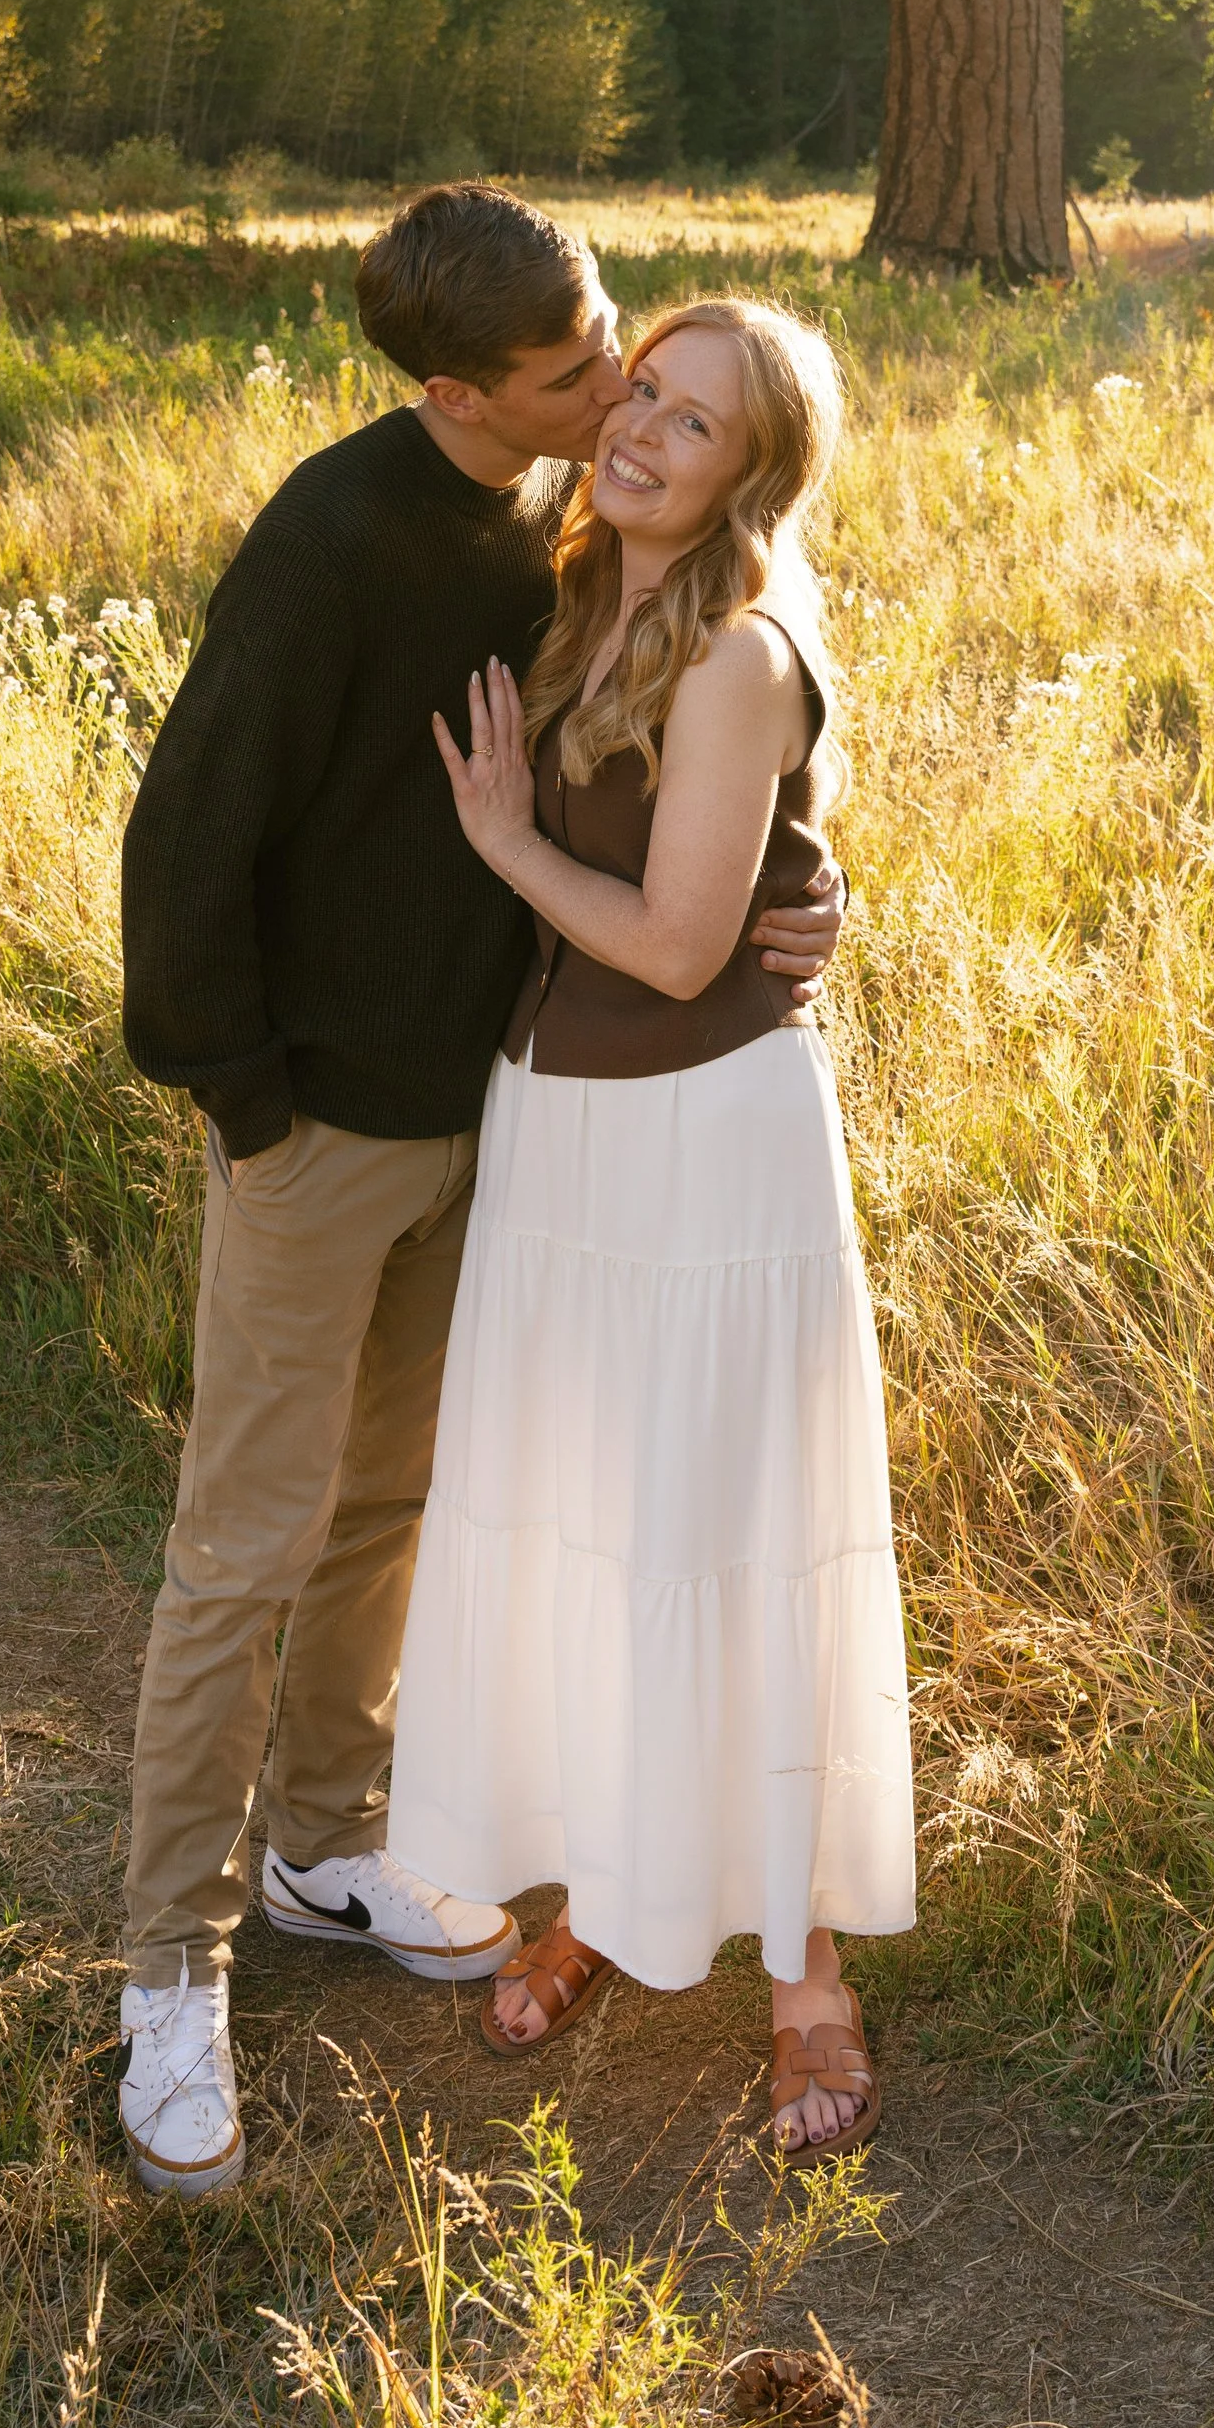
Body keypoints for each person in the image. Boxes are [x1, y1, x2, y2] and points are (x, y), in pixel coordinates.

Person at [112, 189, 844, 2197]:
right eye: (573, 370)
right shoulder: (331, 543)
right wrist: (247, 1098)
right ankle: (165, 1967)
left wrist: (803, 883)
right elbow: (182, 833)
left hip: (498, 1121)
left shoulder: (566, 531)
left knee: (380, 1509)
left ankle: (328, 1849)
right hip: (323, 1127)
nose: (613, 390)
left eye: (618, 343)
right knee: (242, 1543)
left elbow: (703, 741)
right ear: (458, 392)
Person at [387, 298, 914, 2157]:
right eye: (646, 394)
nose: (647, 435)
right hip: (563, 1133)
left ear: (752, 473)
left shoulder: (742, 651)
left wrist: (508, 839)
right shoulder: (570, 584)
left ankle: (807, 1979)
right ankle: (610, 1890)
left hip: (708, 1143)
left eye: (698, 425)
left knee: (736, 1530)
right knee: (600, 1521)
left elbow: (691, 946)